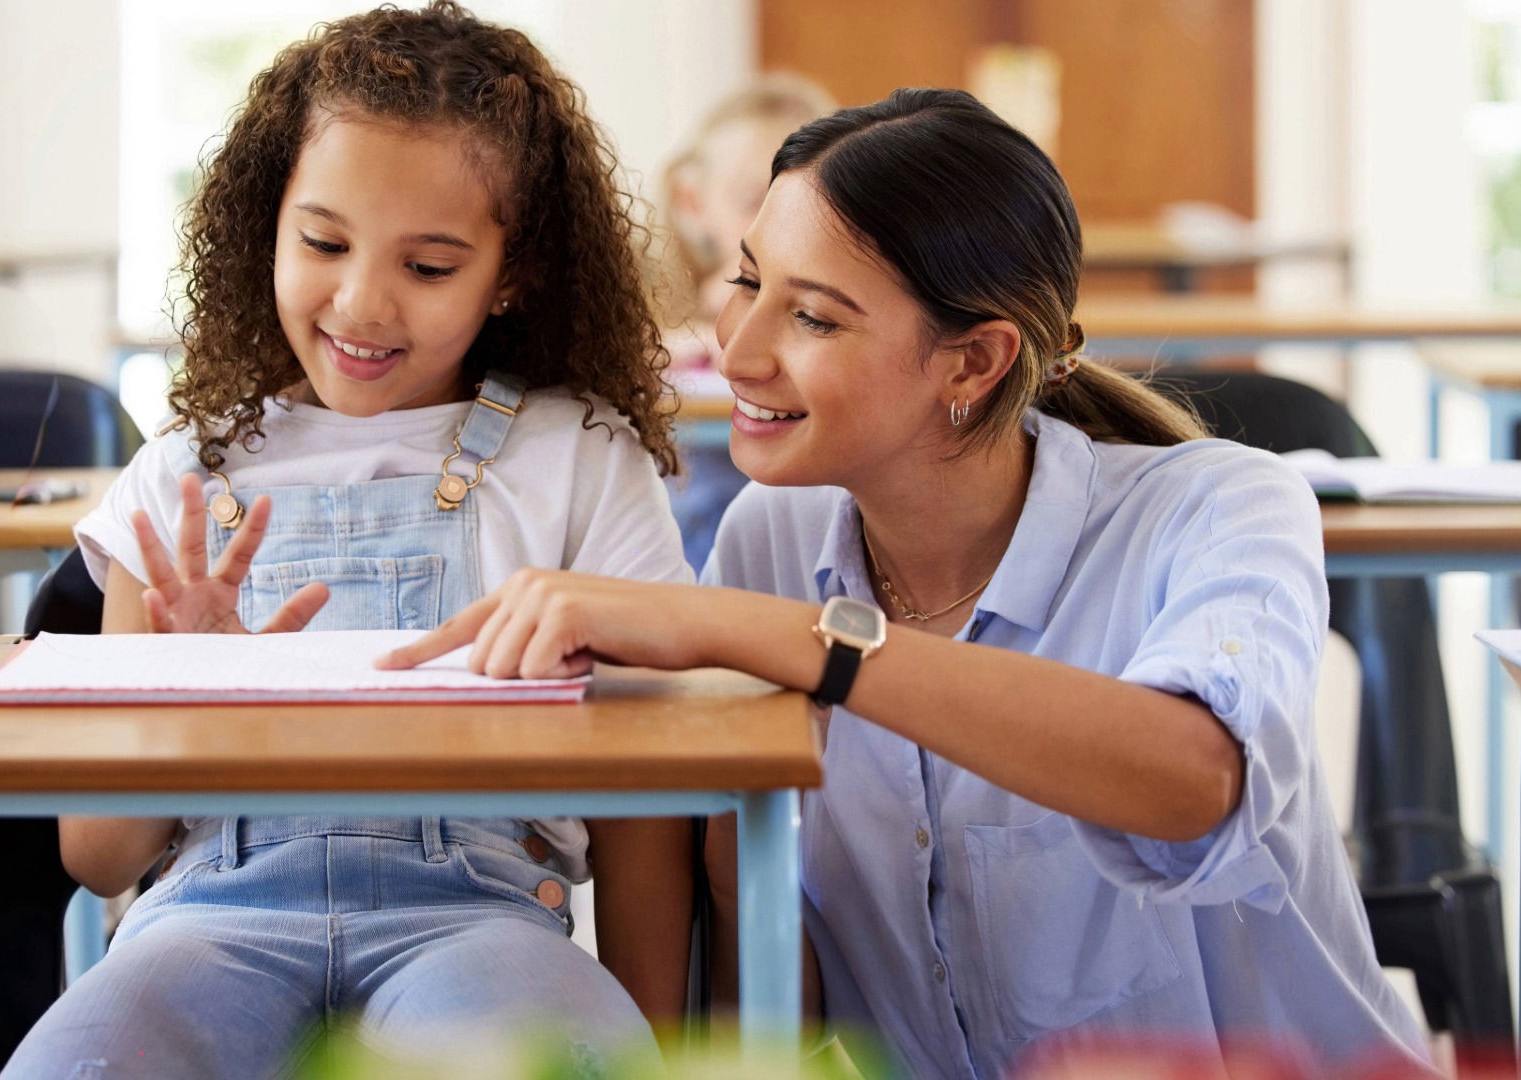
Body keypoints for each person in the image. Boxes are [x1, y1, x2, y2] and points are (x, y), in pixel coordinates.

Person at [380, 88, 1434, 1076]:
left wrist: (782, 637)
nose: (737, 353)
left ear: (972, 364)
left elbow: (1191, 783)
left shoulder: (1221, 507)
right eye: (748, 280)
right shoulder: (772, 539)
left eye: (814, 318)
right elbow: (769, 976)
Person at [3, 5, 692, 1077]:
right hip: (204, 925)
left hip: (477, 923)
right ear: (265, 222)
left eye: (429, 267)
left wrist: (661, 1048)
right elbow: (98, 858)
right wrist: (178, 687)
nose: (362, 302)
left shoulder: (581, 459)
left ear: (513, 273)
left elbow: (648, 813)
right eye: (324, 243)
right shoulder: (183, 472)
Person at [659, 74, 835, 571]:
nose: (784, 227)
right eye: (755, 201)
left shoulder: (837, 306)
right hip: (687, 555)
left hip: (797, 548)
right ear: (694, 204)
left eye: (814, 206)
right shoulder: (669, 303)